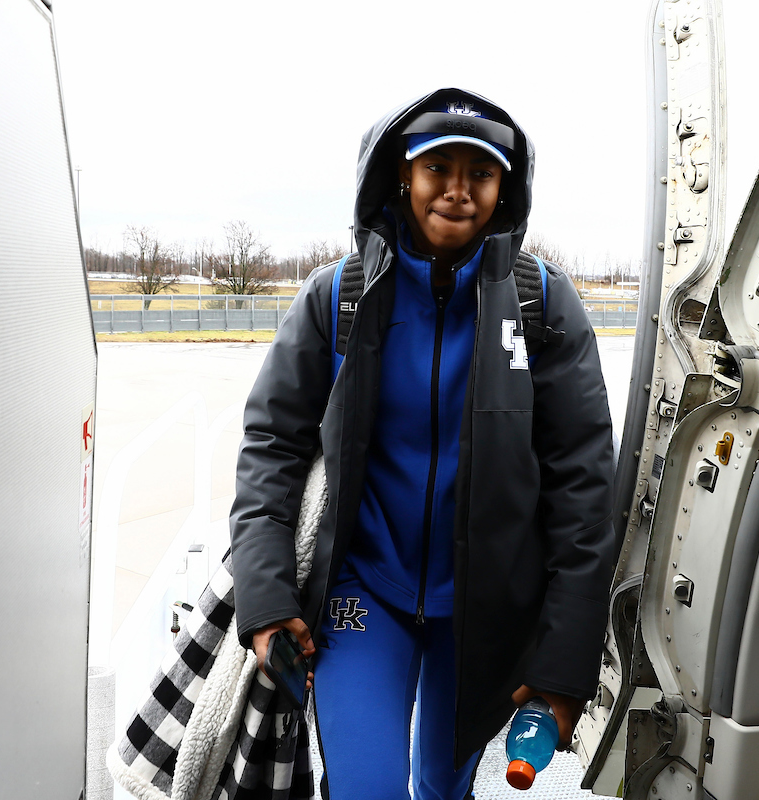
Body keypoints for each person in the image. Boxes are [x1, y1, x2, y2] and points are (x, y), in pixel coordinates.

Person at [230, 88, 616, 800]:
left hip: (484, 609)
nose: (459, 191)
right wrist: (265, 596)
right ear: (403, 175)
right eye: (440, 167)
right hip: (364, 590)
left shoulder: (544, 306)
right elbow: (271, 447)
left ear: (505, 188)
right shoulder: (336, 296)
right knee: (367, 789)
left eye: (482, 173)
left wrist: (564, 660)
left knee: (443, 786)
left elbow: (584, 493)